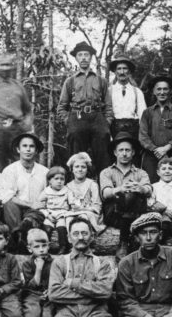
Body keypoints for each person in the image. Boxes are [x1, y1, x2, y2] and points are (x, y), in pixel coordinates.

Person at [57, 41, 113, 176]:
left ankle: (103, 188)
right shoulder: (70, 81)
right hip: (77, 117)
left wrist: (107, 122)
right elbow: (62, 107)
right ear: (76, 58)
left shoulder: (101, 80)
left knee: (103, 155)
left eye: (86, 55)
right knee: (76, 156)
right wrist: (69, 121)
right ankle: (74, 188)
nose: (83, 58)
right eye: (80, 55)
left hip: (97, 117)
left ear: (91, 57)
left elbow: (108, 105)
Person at [99, 132, 152, 259]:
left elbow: (149, 190)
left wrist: (141, 188)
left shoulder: (141, 173)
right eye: (121, 150)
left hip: (136, 214)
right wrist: (119, 189)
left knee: (133, 195)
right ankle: (127, 241)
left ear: (133, 152)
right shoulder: (107, 172)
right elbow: (105, 194)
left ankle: (123, 243)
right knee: (124, 196)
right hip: (114, 214)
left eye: (127, 150)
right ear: (115, 153)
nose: (124, 153)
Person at [139, 75, 172, 183]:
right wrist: (155, 150)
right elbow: (143, 136)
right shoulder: (147, 113)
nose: (162, 92)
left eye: (165, 89)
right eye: (159, 89)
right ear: (154, 91)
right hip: (151, 157)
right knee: (151, 187)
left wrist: (167, 147)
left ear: (170, 91)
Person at [0, 133, 48, 231]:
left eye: (31, 146)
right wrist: (29, 204)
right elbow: (7, 197)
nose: (28, 149)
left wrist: (36, 206)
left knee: (35, 215)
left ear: (36, 151)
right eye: (24, 146)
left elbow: (50, 194)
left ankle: (24, 233)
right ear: (18, 149)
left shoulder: (44, 172)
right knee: (9, 204)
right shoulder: (10, 170)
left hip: (36, 211)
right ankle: (17, 234)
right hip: (16, 210)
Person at [21, 228, 55, 317]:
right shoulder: (27, 264)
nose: (41, 249)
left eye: (44, 246)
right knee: (32, 310)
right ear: (30, 249)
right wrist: (39, 269)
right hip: (32, 294)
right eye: (37, 247)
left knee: (49, 307)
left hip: (49, 293)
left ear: (48, 246)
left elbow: (57, 279)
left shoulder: (54, 262)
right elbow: (32, 285)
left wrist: (50, 291)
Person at [108, 53, 146, 139]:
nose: (122, 72)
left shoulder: (137, 91)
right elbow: (106, 115)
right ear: (115, 71)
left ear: (129, 71)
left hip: (133, 130)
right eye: (119, 69)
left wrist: (142, 135)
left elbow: (143, 116)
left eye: (125, 68)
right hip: (114, 129)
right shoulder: (109, 91)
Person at [65, 152, 105, 233]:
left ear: (87, 170)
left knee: (83, 217)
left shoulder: (92, 184)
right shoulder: (68, 186)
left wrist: (84, 209)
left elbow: (97, 205)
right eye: (76, 167)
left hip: (90, 214)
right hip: (73, 213)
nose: (80, 169)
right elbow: (67, 205)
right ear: (72, 169)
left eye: (83, 167)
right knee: (68, 219)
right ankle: (70, 240)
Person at [38, 166, 70, 253]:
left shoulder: (67, 191)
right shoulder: (46, 192)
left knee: (61, 228)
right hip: (50, 214)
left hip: (62, 214)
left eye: (62, 179)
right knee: (47, 228)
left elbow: (72, 203)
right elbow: (40, 206)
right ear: (50, 181)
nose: (59, 181)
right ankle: (45, 246)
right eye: (56, 179)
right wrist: (47, 215)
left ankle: (63, 247)